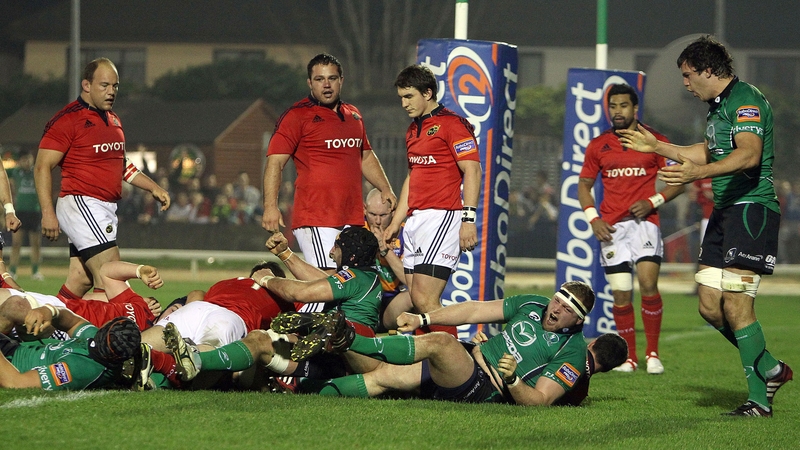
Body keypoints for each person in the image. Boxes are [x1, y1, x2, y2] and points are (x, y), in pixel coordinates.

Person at [618, 35, 792, 417]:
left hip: (751, 209)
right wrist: (660, 148)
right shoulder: (717, 108)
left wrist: (699, 173)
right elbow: (711, 151)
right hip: (725, 211)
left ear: (708, 70)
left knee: (736, 304)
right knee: (710, 307)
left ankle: (759, 401)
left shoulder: (745, 99)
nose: (684, 82)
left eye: (687, 74)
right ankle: (771, 368)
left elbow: (749, 155)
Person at [297, 281, 597, 406]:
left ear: (579, 321)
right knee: (384, 377)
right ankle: (296, 390)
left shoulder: (572, 351)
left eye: (567, 309)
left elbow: (541, 401)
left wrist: (513, 379)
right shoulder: (534, 302)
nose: (556, 310)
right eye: (558, 300)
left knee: (441, 342)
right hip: (470, 359)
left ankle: (350, 339)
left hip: (486, 385)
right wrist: (423, 319)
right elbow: (475, 309)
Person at [35, 57, 171, 298]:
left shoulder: (114, 120)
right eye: (104, 85)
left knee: (80, 279)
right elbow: (42, 167)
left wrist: (153, 188)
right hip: (82, 203)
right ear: (86, 85)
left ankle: (53, 326)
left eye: (115, 86)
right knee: (111, 277)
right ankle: (121, 332)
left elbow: (122, 165)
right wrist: (47, 212)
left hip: (103, 208)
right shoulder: (67, 120)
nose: (111, 92)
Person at [577, 83, 685, 374]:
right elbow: (584, 186)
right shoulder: (598, 145)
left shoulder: (654, 141)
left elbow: (680, 179)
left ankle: (652, 355)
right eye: (613, 106)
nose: (617, 111)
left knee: (648, 285)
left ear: (635, 109)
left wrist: (653, 201)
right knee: (621, 293)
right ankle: (629, 358)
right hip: (612, 229)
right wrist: (594, 219)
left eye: (623, 106)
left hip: (644, 225)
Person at [261, 53, 396, 273]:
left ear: (341, 80)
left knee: (353, 283)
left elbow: (366, 156)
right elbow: (275, 163)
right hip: (316, 216)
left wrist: (385, 188)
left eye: (332, 78)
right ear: (309, 83)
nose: (326, 85)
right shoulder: (297, 116)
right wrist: (270, 207)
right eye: (319, 79)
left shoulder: (354, 115)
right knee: (327, 282)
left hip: (352, 216)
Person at [383, 64, 482, 337]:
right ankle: (429, 367)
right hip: (416, 221)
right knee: (417, 302)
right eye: (401, 97)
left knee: (426, 301)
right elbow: (413, 176)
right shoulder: (412, 130)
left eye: (409, 96)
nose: (404, 103)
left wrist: (468, 220)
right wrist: (396, 223)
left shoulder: (452, 124)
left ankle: (457, 364)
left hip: (442, 217)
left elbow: (472, 170)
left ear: (427, 93)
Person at [0, 305, 141, 390]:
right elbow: (73, 323)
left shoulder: (80, 370)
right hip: (14, 348)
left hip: (9, 364)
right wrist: (50, 311)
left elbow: (15, 382)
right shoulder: (100, 344)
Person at [363, 188, 412, 331]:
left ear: (394, 212)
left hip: (391, 302)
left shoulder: (405, 233)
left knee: (416, 295)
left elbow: (408, 279)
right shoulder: (356, 229)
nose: (377, 221)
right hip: (363, 298)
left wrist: (384, 249)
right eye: (372, 214)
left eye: (383, 215)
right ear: (365, 209)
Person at [8, 152, 42, 280]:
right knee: (16, 243)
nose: (26, 162)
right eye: (23, 159)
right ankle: (12, 271)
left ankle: (35, 271)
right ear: (20, 161)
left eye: (28, 159)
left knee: (36, 244)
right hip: (20, 212)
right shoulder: (15, 173)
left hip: (34, 212)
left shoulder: (37, 171)